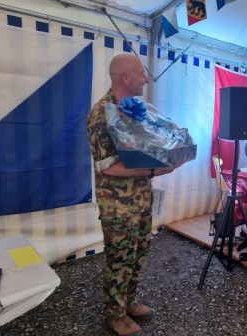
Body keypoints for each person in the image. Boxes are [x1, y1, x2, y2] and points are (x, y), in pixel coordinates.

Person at [86, 54, 179, 336]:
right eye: (141, 74)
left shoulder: (133, 109)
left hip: (140, 198)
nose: (146, 79)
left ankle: (128, 302)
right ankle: (114, 315)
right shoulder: (101, 113)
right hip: (118, 204)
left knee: (139, 252)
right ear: (124, 77)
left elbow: (144, 147)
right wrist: (154, 172)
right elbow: (108, 167)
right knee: (120, 257)